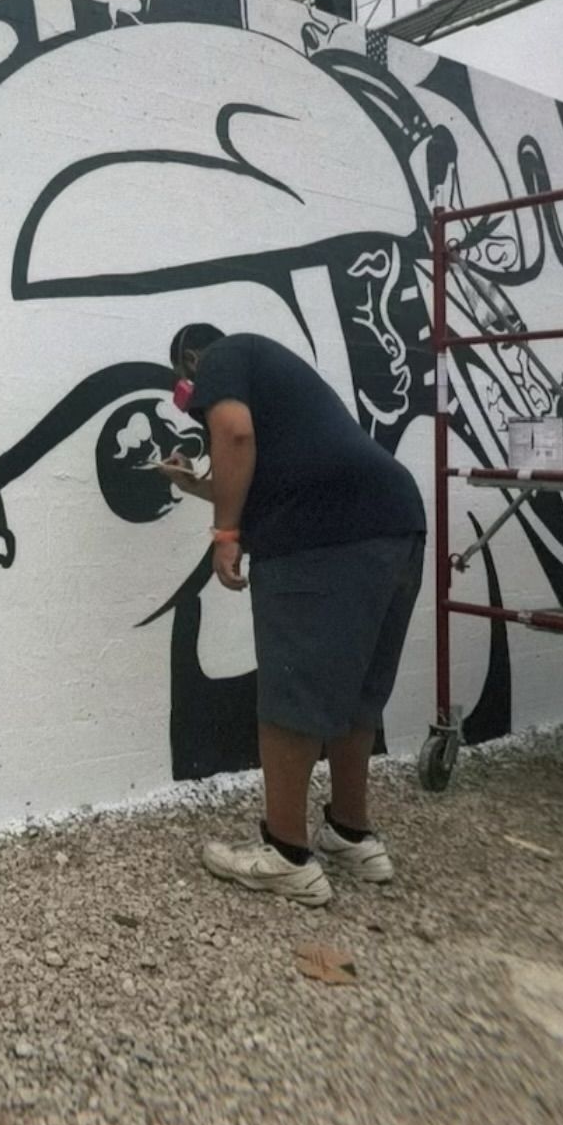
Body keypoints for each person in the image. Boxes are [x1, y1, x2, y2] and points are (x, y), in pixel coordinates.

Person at [156, 325, 426, 906]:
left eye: (186, 385)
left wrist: (224, 534)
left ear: (192, 360)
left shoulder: (224, 355)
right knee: (357, 693)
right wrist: (199, 487)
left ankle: (286, 854)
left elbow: (234, 434)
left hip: (323, 538)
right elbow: (257, 475)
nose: (189, 397)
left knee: (290, 690)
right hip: (394, 521)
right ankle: (352, 834)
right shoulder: (281, 380)